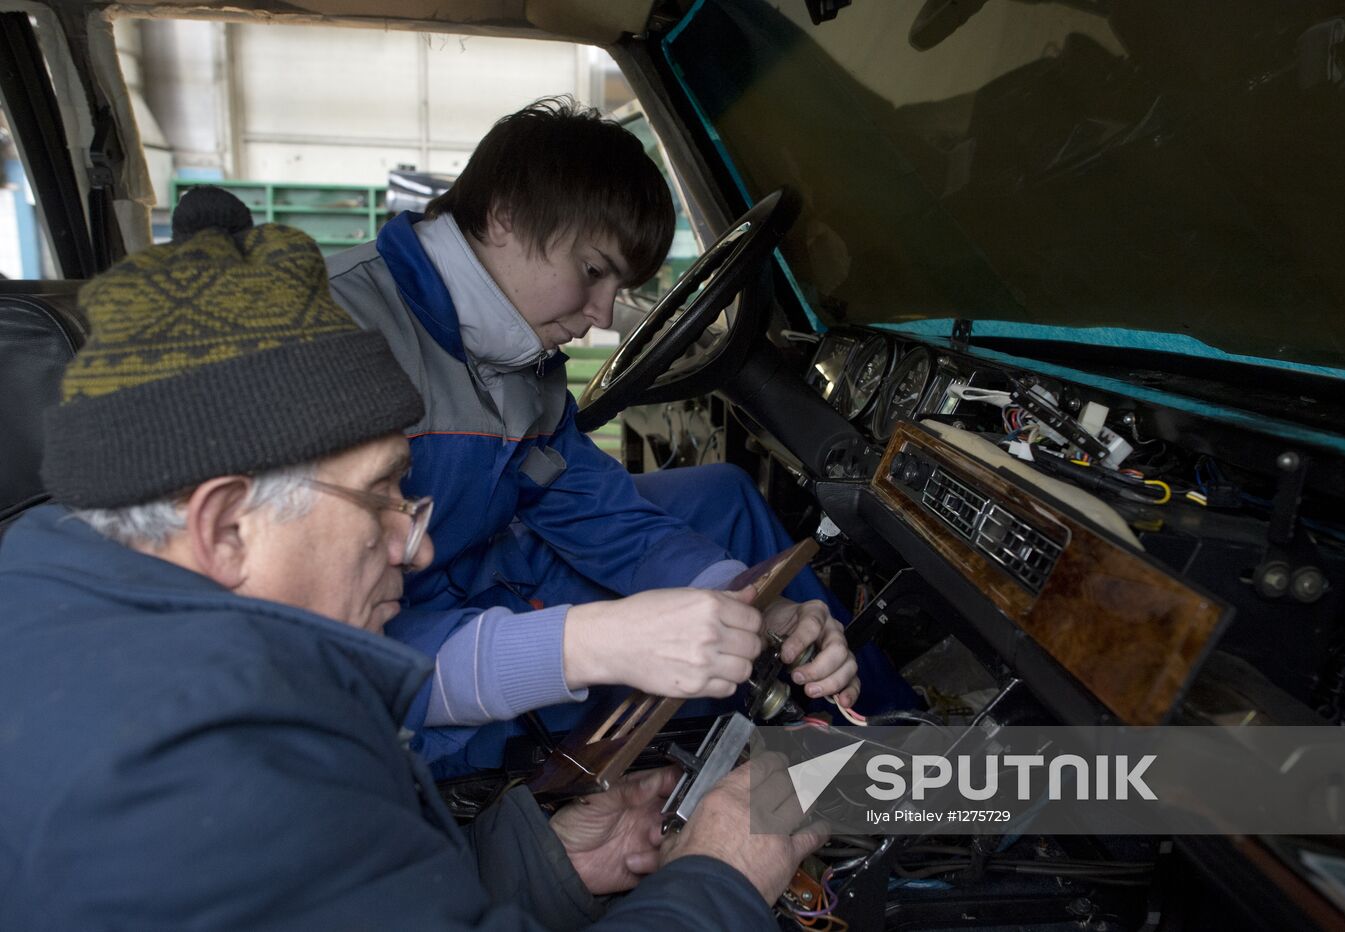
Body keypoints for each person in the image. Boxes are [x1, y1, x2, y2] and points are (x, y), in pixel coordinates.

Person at [0, 217, 824, 929]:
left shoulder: (57, 592)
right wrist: (720, 873)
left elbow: (348, 893)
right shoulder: (211, 785)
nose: (416, 543)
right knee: (848, 788)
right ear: (225, 527)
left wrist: (543, 865)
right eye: (384, 495)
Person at [327, 97, 908, 774]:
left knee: (721, 496)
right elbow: (331, 646)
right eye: (593, 271)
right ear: (503, 215)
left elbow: (592, 506)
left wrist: (751, 604)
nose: (602, 316)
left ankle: (901, 743)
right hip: (406, 662)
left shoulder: (518, 357)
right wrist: (592, 642)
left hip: (491, 569)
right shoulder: (341, 331)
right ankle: (848, 784)